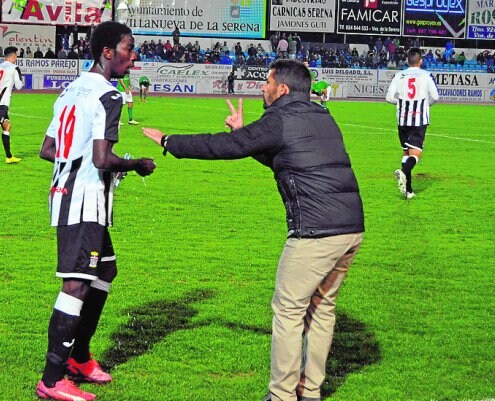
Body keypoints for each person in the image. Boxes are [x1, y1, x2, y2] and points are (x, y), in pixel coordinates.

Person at [142, 59, 364, 401]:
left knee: (288, 311)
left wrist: (170, 142)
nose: (263, 87)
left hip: (315, 232)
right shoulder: (322, 115)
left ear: (283, 89)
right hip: (349, 228)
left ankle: (282, 395)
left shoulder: (279, 118)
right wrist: (241, 132)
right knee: (321, 309)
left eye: (267, 81)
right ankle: (310, 390)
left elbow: (225, 148)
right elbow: (283, 155)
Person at [37, 21, 156, 401]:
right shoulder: (109, 96)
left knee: (105, 269)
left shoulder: (71, 89)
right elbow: (103, 159)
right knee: (75, 283)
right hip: (84, 199)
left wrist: (80, 161)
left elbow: (47, 149)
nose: (133, 55)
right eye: (128, 48)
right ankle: (53, 378)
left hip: (70, 192)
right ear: (108, 52)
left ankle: (79, 357)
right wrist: (136, 163)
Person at [385, 48, 439, 199]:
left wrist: (402, 103)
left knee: (406, 152)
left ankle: (408, 191)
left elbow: (389, 98)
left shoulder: (399, 75)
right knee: (416, 154)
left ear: (407, 61)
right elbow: (435, 96)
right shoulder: (426, 76)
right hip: (419, 119)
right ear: (420, 61)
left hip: (402, 119)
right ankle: (403, 172)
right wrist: (426, 104)